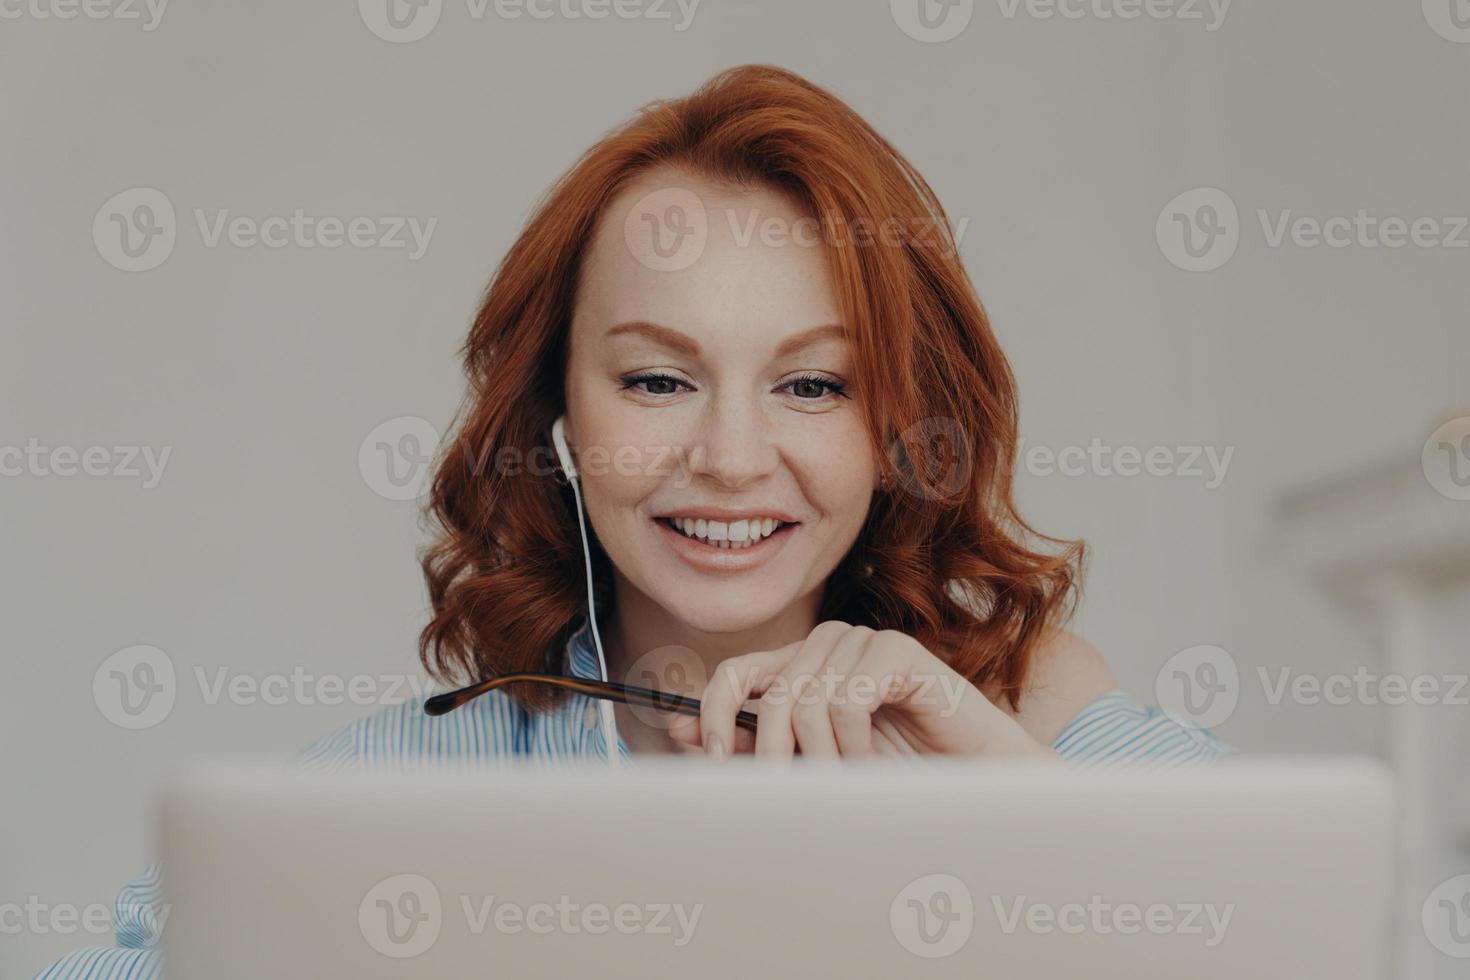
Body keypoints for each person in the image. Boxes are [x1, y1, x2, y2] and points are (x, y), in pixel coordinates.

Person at [36, 64, 1229, 980]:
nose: (729, 460)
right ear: (557, 404)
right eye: (658, 380)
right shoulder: (397, 786)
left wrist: (1004, 786)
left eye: (813, 384)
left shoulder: (1038, 715)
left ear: (897, 425)